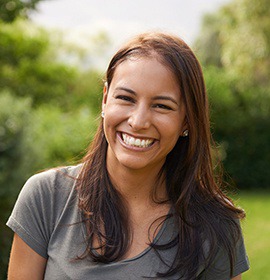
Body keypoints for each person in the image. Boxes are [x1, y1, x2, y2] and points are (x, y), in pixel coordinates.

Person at [6, 32, 249, 280]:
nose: (138, 121)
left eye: (162, 106)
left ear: (186, 120)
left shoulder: (217, 225)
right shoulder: (46, 197)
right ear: (104, 100)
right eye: (125, 98)